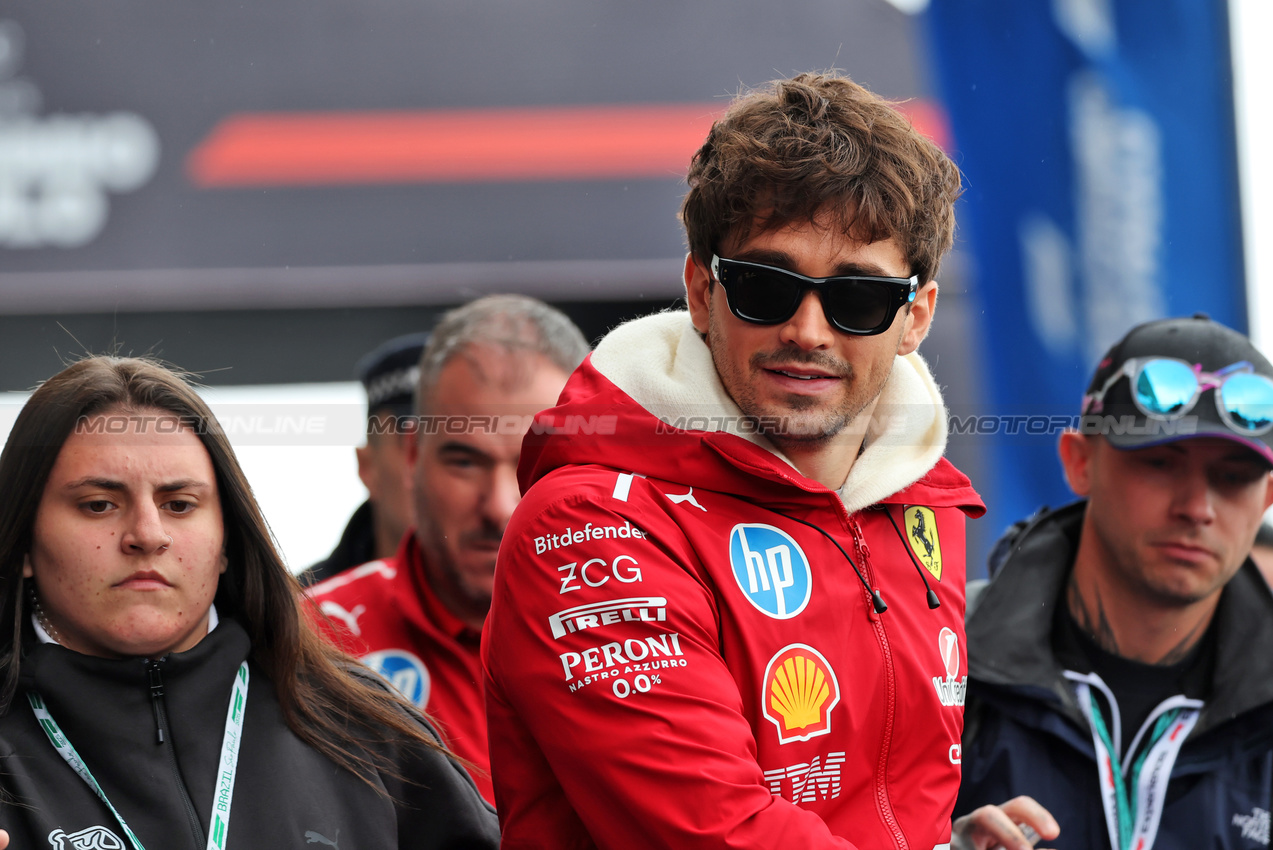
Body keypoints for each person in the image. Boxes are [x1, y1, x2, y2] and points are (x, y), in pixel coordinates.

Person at [481, 71, 1040, 850]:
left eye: (857, 299)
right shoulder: (588, 522)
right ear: (701, 294)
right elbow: (719, 835)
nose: (808, 330)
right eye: (765, 287)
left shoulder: (923, 508)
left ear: (914, 318)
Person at [0, 356, 499, 849]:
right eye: (98, 504)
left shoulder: (364, 729)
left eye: (179, 505)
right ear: (24, 541)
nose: (147, 535)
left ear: (225, 544)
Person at [956, 315, 1273, 850]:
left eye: (1233, 477)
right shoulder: (940, 657)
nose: (1197, 508)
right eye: (1160, 463)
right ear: (1079, 462)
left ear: (1266, 500)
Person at [308, 294, 590, 805]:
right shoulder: (308, 640)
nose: (500, 506)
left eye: (537, 465)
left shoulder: (674, 619)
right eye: (465, 462)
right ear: (413, 456)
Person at [302, 331, 429, 586]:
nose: (435, 471)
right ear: (368, 466)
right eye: (416, 445)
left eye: (463, 457)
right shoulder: (296, 612)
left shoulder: (520, 598)